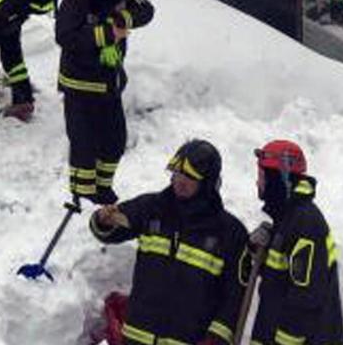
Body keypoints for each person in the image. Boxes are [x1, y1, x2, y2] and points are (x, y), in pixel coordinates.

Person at [90, 140, 250, 345]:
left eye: (190, 177)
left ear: (208, 182)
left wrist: (217, 338)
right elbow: (108, 230)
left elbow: (235, 296)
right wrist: (103, 220)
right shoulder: (151, 208)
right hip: (137, 338)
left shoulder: (230, 232)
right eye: (177, 173)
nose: (180, 181)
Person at [56, 0, 153, 204]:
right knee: (83, 143)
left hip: (109, 82)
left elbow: (147, 10)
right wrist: (107, 33)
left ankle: (101, 187)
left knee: (114, 140)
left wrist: (126, 17)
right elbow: (65, 36)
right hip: (79, 83)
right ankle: (81, 194)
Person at [249, 140, 343, 345]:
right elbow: (280, 282)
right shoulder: (287, 219)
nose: (258, 183)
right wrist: (258, 251)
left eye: (262, 176)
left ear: (279, 178)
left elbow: (305, 299)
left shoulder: (305, 223)